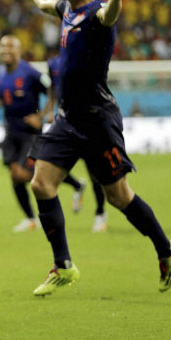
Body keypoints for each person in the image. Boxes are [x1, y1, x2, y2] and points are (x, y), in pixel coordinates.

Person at [16, 0, 171, 296]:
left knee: (119, 197)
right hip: (67, 119)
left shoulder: (97, 15)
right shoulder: (67, 10)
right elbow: (47, 2)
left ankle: (166, 249)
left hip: (97, 121)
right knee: (41, 184)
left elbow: (110, 14)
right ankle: (63, 265)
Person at [0, 35, 85, 233]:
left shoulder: (30, 73)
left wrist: (42, 115)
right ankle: (31, 218)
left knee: (22, 174)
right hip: (11, 130)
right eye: (2, 47)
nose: (5, 50)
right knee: (15, 176)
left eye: (10, 46)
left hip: (30, 133)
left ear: (18, 50)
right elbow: (1, 97)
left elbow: (53, 91)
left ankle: (68, 186)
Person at [44, 54, 107, 232]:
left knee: (95, 174)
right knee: (50, 169)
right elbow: (53, 88)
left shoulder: (87, 57)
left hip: (88, 125)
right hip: (65, 124)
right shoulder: (53, 63)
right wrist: (49, 111)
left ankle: (100, 213)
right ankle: (77, 186)